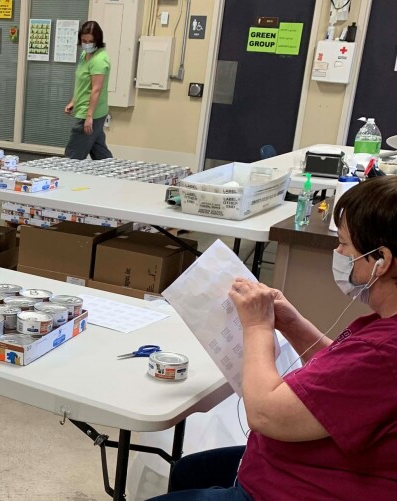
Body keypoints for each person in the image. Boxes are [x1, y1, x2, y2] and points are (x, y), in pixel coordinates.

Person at [151, 176, 397, 499]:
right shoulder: (382, 329)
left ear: (381, 261)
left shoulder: (382, 353)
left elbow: (264, 412)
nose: (337, 252)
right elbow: (343, 380)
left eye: (344, 245)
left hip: (296, 488)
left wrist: (256, 327)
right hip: (306, 467)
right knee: (188, 471)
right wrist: (293, 323)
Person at [64, 21, 112, 161]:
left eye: (90, 41)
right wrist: (74, 100)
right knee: (100, 152)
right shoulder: (85, 54)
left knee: (72, 156)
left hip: (90, 112)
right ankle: (114, 177)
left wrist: (89, 117)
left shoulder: (99, 60)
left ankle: (65, 179)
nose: (87, 44)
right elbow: (82, 82)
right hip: (85, 108)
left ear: (97, 40)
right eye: (84, 40)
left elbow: (96, 89)